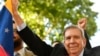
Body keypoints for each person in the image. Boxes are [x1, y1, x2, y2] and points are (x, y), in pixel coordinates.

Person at [12, 0, 96, 56]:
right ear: (64, 42)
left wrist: (81, 30)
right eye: (68, 38)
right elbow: (35, 42)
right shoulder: (56, 52)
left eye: (76, 37)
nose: (72, 41)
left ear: (84, 42)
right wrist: (15, 14)